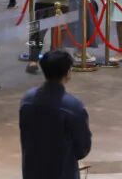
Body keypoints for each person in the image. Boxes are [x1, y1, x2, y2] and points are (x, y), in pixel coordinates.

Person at [20, 49, 91, 179]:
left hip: (32, 171)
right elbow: (82, 148)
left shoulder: (27, 100)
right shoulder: (73, 106)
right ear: (68, 72)